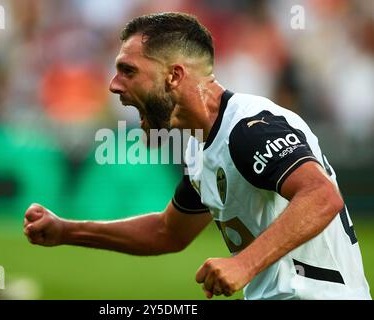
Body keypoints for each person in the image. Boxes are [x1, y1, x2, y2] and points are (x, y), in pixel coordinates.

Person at [23, 12, 371, 300]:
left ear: (174, 76)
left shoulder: (249, 127)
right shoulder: (199, 146)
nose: (113, 84)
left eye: (128, 71)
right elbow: (167, 232)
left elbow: (322, 195)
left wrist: (243, 265)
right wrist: (67, 231)